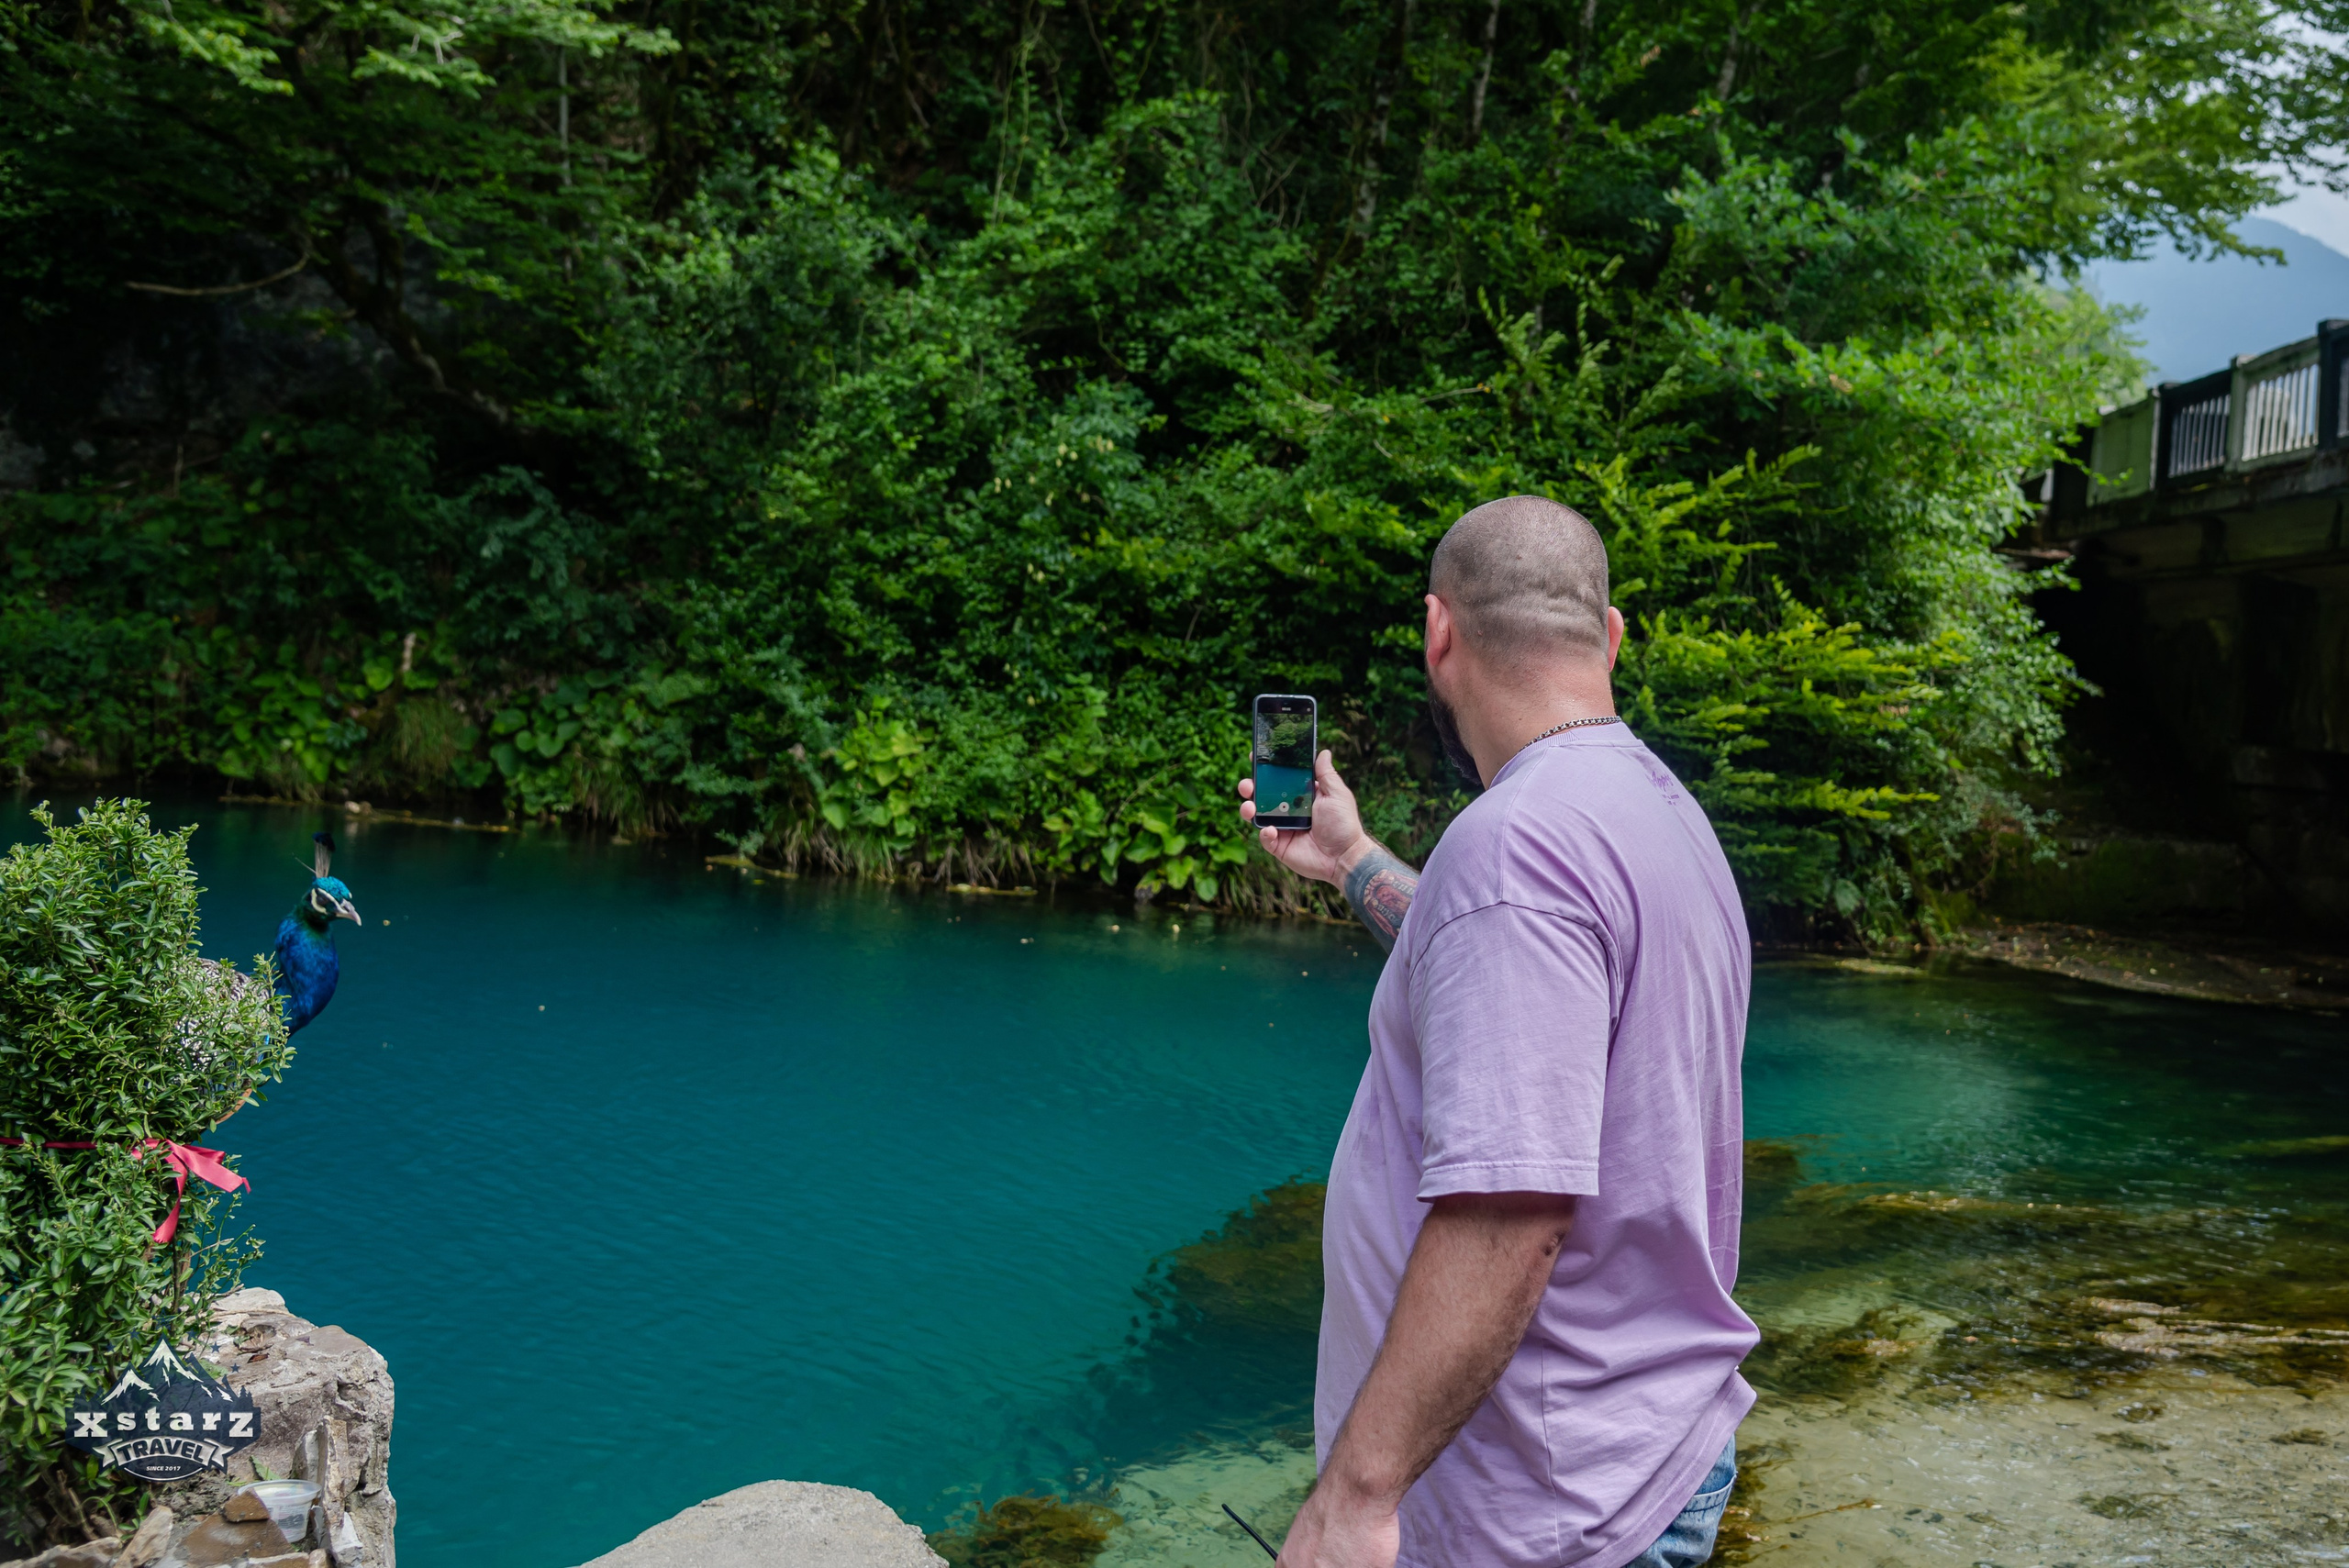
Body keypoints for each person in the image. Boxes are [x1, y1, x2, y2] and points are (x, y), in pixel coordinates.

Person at [1236, 495, 1758, 1568]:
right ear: (1610, 636)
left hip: (1550, 1510)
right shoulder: (1652, 806)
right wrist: (1349, 859)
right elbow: (1496, 972)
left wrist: (1353, 1498)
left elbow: (1508, 1214)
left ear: (1438, 632)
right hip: (1640, 1450)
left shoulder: (1517, 847)